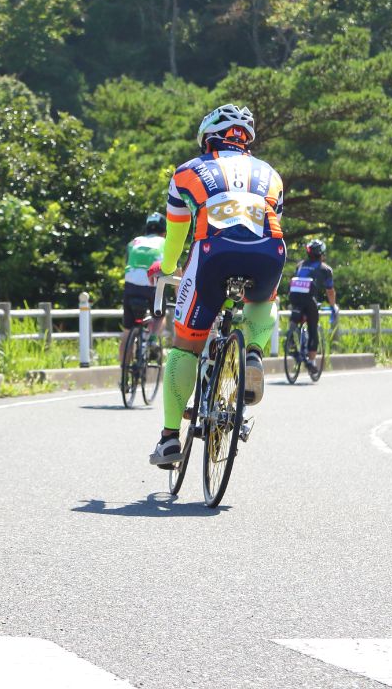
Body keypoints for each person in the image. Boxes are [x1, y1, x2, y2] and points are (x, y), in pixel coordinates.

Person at [149, 104, 286, 467]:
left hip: (213, 252)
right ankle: (253, 352)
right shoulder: (271, 174)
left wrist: (167, 267)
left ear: (207, 138)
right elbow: (268, 223)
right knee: (264, 297)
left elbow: (175, 239)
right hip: (269, 251)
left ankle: (168, 439)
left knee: (186, 346)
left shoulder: (187, 172)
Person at [287, 239, 338, 370]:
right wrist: (333, 306)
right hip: (309, 300)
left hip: (293, 297)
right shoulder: (325, 269)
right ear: (321, 254)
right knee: (313, 329)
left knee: (294, 318)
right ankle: (312, 362)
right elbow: (330, 291)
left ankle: (291, 341)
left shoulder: (300, 265)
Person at [121, 213, 166, 338]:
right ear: (164, 231)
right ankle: (152, 340)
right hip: (152, 287)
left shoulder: (134, 242)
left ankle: (124, 356)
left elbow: (127, 264)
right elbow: (177, 274)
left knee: (127, 331)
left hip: (130, 286)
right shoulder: (165, 243)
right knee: (160, 316)